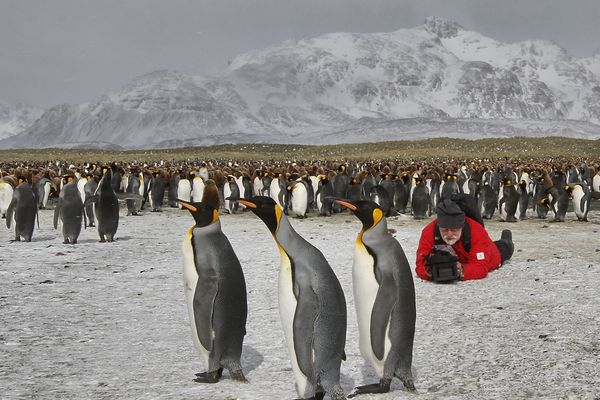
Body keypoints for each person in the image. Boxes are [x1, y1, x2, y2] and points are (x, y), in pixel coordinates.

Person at [415, 198, 514, 281]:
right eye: (445, 230)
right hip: (469, 252)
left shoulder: (476, 231)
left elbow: (481, 268)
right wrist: (431, 271)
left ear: (462, 227)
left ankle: (506, 239)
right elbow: (420, 265)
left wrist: (461, 270)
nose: (449, 234)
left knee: (504, 247)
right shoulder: (429, 231)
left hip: (493, 254)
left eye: (454, 230)